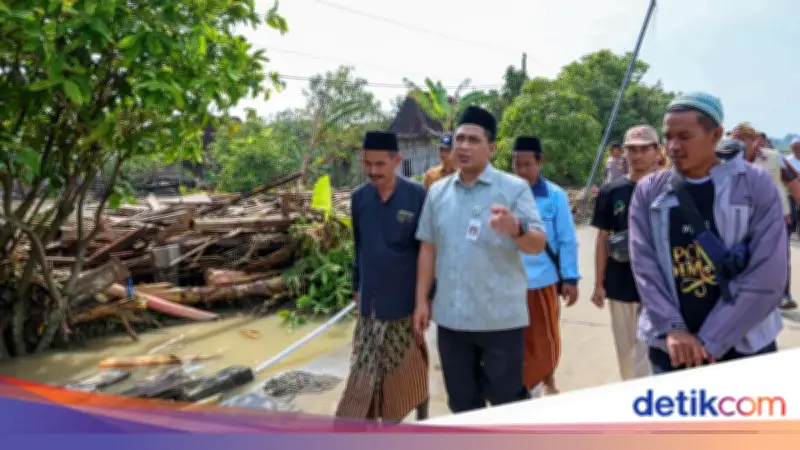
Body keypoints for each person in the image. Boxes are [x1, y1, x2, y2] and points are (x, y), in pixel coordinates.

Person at [630, 92, 786, 374]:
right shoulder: (649, 190)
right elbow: (644, 266)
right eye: (668, 137)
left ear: (715, 135)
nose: (673, 147)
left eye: (684, 137)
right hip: (673, 348)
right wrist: (673, 328)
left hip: (745, 345)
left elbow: (768, 275)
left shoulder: (754, 184)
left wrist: (710, 340)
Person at [413, 106, 547, 414]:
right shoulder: (438, 192)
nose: (463, 146)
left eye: (473, 140)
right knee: (462, 403)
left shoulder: (513, 188)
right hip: (452, 320)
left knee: (507, 403)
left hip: (500, 320)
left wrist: (517, 228)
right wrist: (421, 301)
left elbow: (537, 244)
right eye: (459, 139)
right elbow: (428, 247)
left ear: (491, 148)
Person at [336, 131, 429, 422]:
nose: (372, 171)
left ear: (396, 161)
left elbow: (427, 251)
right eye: (367, 164)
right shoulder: (359, 198)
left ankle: (409, 416)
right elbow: (358, 246)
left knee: (405, 371)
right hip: (370, 303)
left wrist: (425, 301)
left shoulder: (417, 196)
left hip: (404, 304)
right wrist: (357, 286)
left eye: (379, 164)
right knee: (363, 373)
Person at [590, 125, 659, 381]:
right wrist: (599, 284)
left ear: (656, 151)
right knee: (625, 348)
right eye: (632, 149)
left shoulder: (668, 188)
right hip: (620, 281)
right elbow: (602, 238)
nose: (637, 155)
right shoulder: (611, 191)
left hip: (658, 283)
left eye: (644, 149)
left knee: (651, 349)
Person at [512, 136, 580, 396]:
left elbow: (567, 239)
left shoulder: (554, 196)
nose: (522, 171)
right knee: (513, 337)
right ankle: (520, 385)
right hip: (510, 281)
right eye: (517, 164)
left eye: (527, 164)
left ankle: (548, 381)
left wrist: (570, 278)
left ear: (540, 162)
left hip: (543, 280)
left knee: (544, 338)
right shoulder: (505, 193)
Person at [730, 124, 799, 310]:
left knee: (779, 255)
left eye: (744, 139)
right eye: (736, 140)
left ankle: (783, 294)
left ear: (754, 141)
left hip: (775, 215)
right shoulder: (725, 159)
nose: (740, 144)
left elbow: (793, 183)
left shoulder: (775, 157)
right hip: (741, 218)